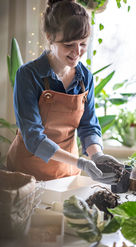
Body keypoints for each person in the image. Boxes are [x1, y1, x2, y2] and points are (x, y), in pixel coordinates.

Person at [7, 0, 122, 183]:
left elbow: (88, 125)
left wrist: (97, 156)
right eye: (69, 45)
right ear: (50, 37)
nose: (77, 52)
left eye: (83, 44)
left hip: (67, 173)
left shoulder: (85, 78)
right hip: (27, 175)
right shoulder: (28, 75)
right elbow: (33, 138)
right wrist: (81, 163)